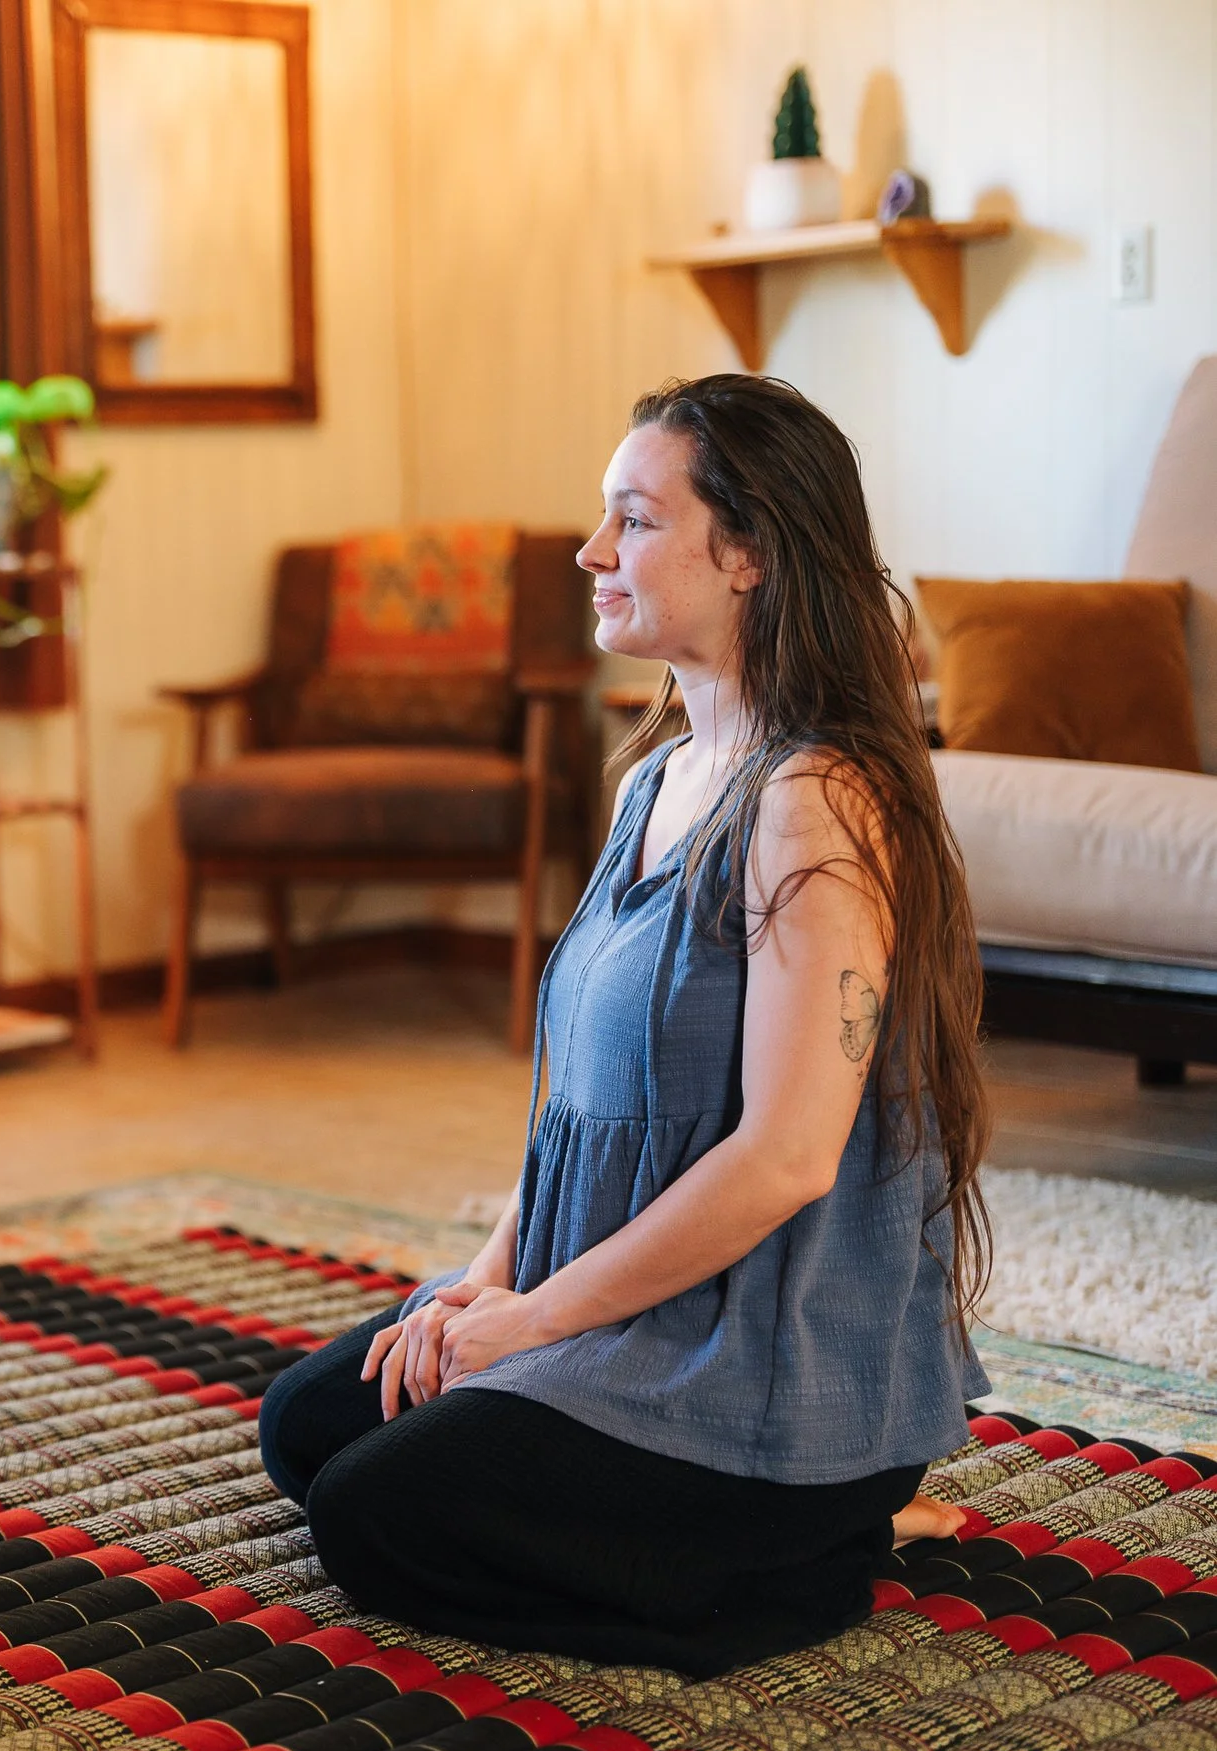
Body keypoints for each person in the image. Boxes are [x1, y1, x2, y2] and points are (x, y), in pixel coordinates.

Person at [259, 374, 991, 1678]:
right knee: (313, 1426)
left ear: (753, 551)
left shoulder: (816, 799)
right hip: (609, 1309)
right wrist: (493, 1280)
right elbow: (575, 1112)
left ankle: (823, 1547)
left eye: (635, 520)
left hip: (754, 1364)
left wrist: (528, 1331)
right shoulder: (653, 776)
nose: (593, 553)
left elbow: (786, 1159)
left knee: (375, 1520)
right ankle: (691, 1513)